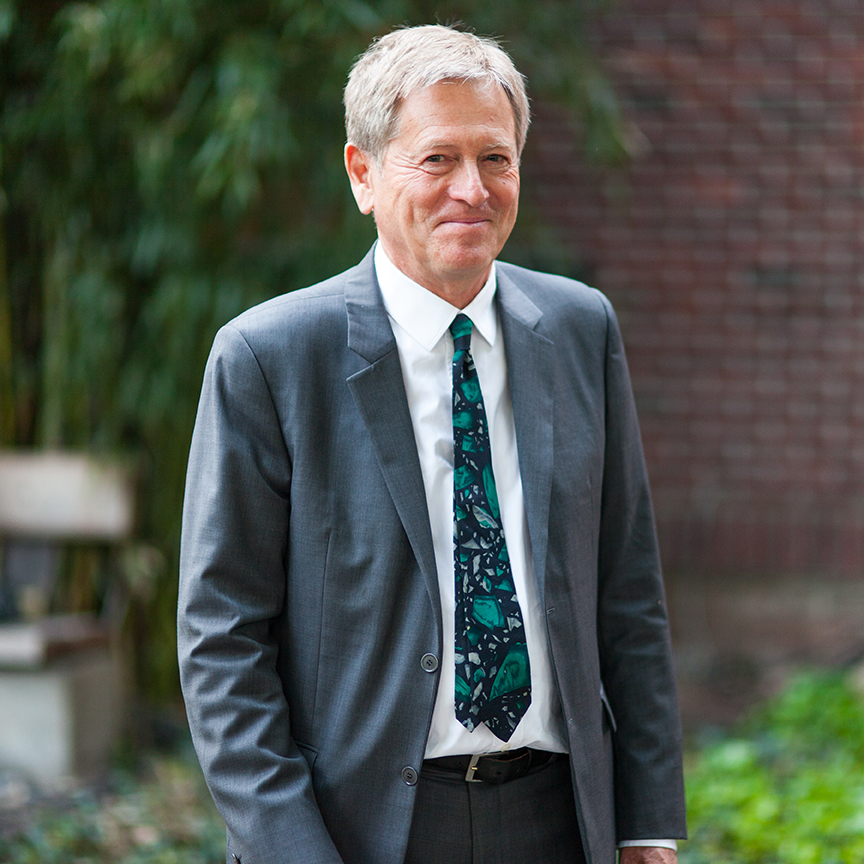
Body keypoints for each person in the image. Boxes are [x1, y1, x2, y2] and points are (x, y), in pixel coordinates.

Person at [178, 24, 686, 864]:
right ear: (363, 174)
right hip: (360, 830)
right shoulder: (269, 357)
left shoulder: (580, 328)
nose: (472, 190)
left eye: (495, 159)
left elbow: (628, 592)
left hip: (560, 819)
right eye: (437, 159)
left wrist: (645, 823)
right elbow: (221, 637)